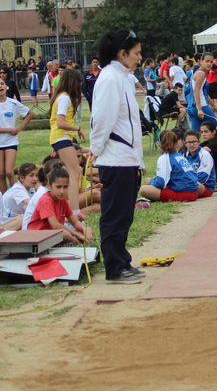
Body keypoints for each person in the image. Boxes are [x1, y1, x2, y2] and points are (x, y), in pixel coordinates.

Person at [90, 29, 146, 285]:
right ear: (122, 54)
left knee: (125, 215)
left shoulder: (124, 77)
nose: (140, 57)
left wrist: (139, 160)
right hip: (114, 159)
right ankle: (114, 268)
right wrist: (97, 149)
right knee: (114, 214)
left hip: (127, 158)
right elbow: (102, 119)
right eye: (136, 53)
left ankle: (122, 260)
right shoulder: (110, 78)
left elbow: (132, 123)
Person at [49, 67, 85, 218]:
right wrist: (78, 127)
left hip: (62, 137)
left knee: (75, 171)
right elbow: (61, 122)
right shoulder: (64, 98)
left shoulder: (63, 97)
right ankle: (74, 211)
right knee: (74, 172)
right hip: (60, 136)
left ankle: (72, 209)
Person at [27, 167, 94, 245]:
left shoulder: (63, 200)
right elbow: (55, 226)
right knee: (64, 233)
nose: (62, 191)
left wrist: (84, 230)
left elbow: (75, 222)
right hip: (37, 236)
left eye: (65, 187)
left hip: (53, 233)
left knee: (87, 229)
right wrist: (77, 235)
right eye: (58, 187)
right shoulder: (45, 200)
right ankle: (74, 241)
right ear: (49, 185)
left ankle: (84, 239)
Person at [139, 130, 203, 202]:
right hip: (194, 191)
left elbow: (160, 184)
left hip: (184, 193)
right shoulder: (178, 155)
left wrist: (151, 181)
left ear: (159, 144)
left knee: (143, 189)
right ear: (176, 143)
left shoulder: (164, 158)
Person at [0, 78, 33, 193]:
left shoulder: (13, 103)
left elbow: (29, 113)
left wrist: (20, 127)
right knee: (1, 173)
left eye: (2, 84)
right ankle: (5, 201)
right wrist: (9, 129)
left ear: (6, 87)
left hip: (11, 142)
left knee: (9, 172)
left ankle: (18, 196)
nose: (0, 86)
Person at [187, 52, 217, 132]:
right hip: (200, 106)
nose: (209, 64)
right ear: (201, 61)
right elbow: (197, 91)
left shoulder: (198, 72)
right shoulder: (201, 73)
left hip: (191, 107)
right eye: (207, 61)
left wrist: (213, 105)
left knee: (196, 134)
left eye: (211, 62)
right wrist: (199, 108)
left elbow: (203, 93)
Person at [0, 163, 37, 231]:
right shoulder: (18, 189)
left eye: (36, 175)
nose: (35, 178)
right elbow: (32, 204)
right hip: (6, 222)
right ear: (22, 178)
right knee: (24, 218)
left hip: (17, 219)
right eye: (31, 176)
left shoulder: (31, 188)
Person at [183, 130, 215, 197]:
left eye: (194, 142)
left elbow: (203, 177)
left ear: (198, 142)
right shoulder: (184, 155)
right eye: (189, 142)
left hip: (204, 187)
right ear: (184, 143)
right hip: (189, 184)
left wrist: (185, 183)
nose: (192, 145)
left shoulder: (205, 154)